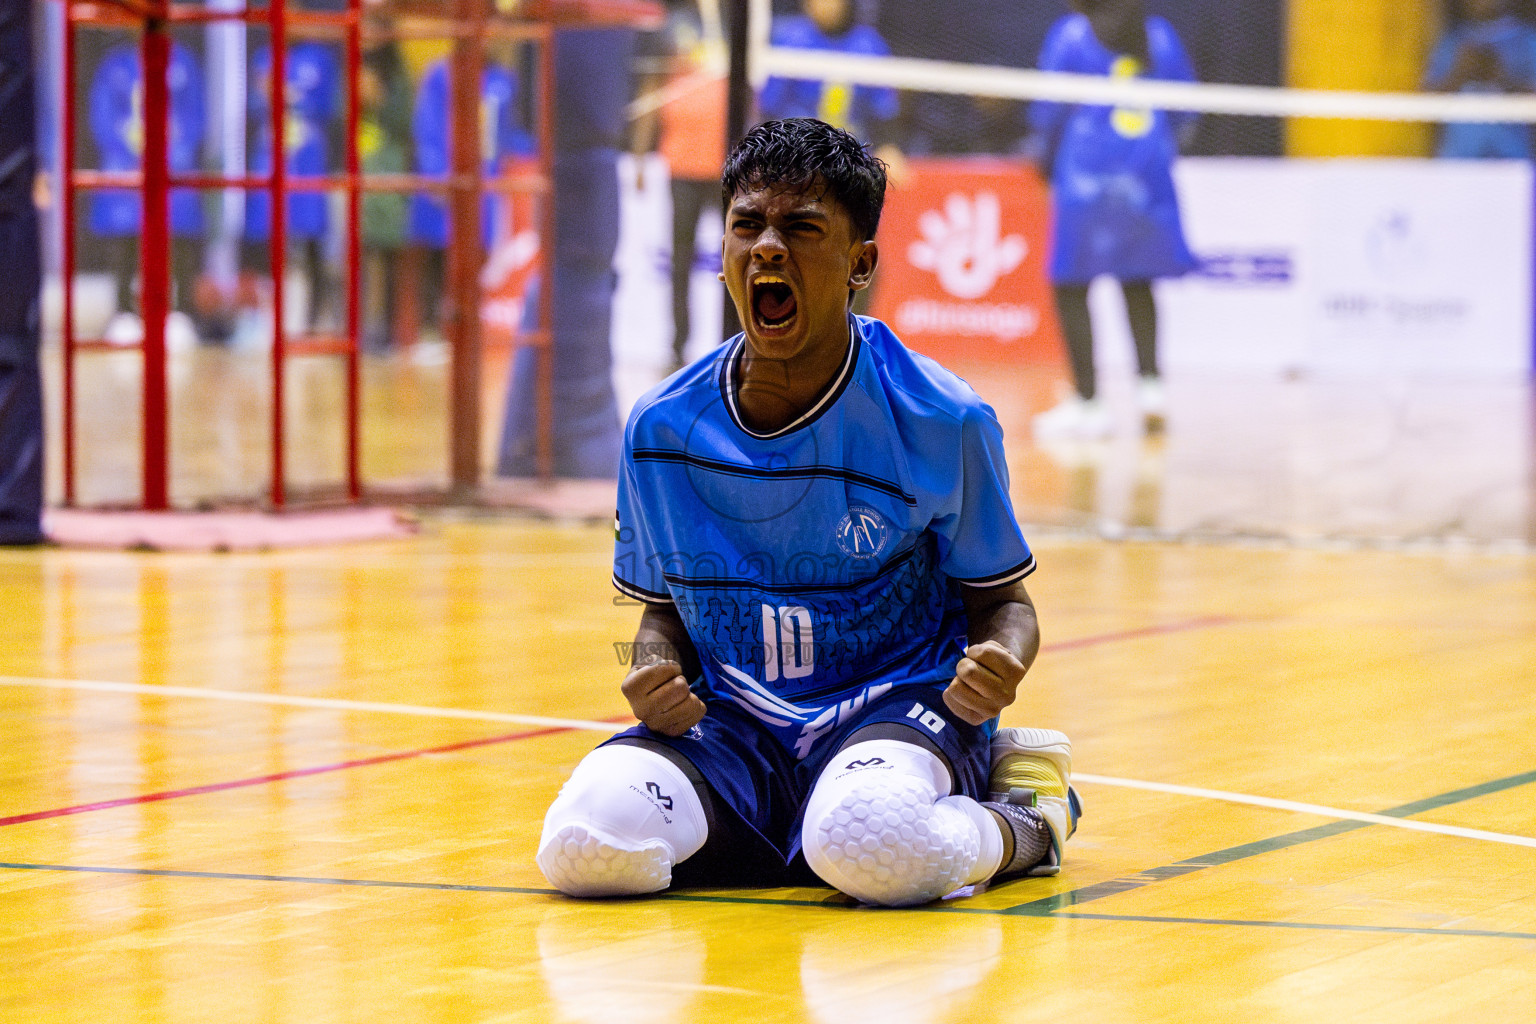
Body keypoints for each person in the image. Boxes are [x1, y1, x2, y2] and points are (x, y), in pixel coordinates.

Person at [536, 118, 1081, 907]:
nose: (766, 247)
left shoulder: (943, 419)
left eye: (801, 228)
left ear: (860, 263)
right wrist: (649, 666)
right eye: (747, 224)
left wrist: (1003, 666)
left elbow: (1004, 605)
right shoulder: (659, 429)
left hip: (897, 710)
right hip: (734, 730)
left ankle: (1025, 817)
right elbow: (659, 614)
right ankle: (811, 830)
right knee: (586, 846)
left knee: (868, 842)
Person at [1025, 0, 1198, 439]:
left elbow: (1050, 111)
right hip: (1145, 175)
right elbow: (1185, 109)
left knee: (1070, 285)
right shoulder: (1158, 34)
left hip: (1087, 178)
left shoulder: (1070, 36)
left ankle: (1089, 403)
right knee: (1138, 281)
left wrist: (1044, 164)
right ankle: (1151, 389)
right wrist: (1160, 150)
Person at [1424, 0, 1536, 158]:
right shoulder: (1453, 41)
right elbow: (1424, 103)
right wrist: (1460, 73)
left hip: (1511, 158)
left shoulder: (1526, 40)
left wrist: (1501, 78)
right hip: (1458, 159)